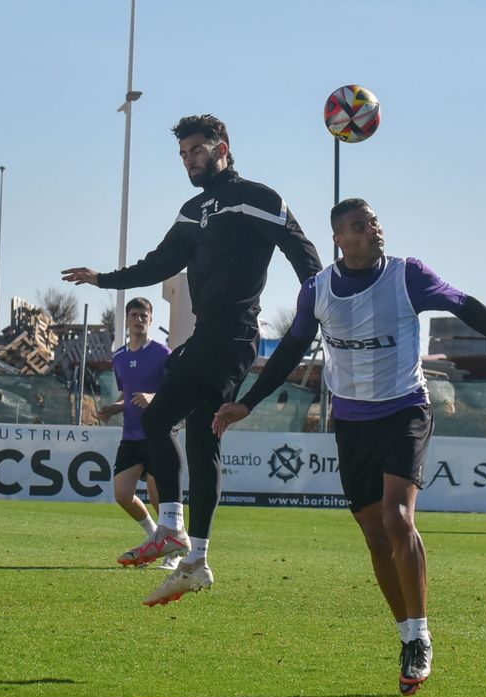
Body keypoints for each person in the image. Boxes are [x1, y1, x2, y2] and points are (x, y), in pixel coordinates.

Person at [213, 199, 486, 695]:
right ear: (340, 239)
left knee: (397, 518)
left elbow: (466, 307)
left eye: (375, 222)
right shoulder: (317, 291)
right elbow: (291, 352)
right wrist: (248, 403)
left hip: (405, 411)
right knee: (373, 535)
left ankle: (422, 635)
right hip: (352, 423)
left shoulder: (408, 276)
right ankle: (407, 634)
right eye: (360, 226)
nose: (374, 230)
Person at [62, 114, 322, 607]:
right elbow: (159, 263)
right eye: (183, 154)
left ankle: (173, 530)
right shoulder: (192, 210)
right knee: (202, 439)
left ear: (223, 147)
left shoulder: (261, 199)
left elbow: (305, 258)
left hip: (234, 338)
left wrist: (326, 300)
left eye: (197, 150)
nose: (190, 160)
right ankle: (195, 561)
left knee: (159, 415)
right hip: (208, 336)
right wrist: (103, 279)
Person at [98, 297, 179, 571]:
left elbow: (175, 394)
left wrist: (153, 396)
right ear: (127, 319)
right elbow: (127, 397)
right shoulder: (119, 357)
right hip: (131, 436)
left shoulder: (163, 354)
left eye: (144, 315)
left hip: (158, 436)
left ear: (151, 320)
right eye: (134, 314)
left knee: (159, 499)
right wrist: (113, 407)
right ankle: (154, 536)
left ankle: (174, 553)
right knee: (122, 495)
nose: (139, 319)